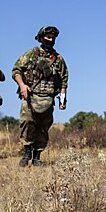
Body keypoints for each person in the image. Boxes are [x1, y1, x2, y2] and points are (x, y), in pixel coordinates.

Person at [12, 26, 69, 167]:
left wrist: (62, 100)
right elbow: (16, 70)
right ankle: (26, 154)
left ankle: (37, 157)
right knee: (27, 124)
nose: (50, 39)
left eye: (52, 37)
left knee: (43, 128)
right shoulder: (32, 54)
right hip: (30, 96)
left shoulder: (59, 59)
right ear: (41, 37)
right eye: (48, 37)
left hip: (48, 99)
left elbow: (64, 82)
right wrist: (22, 86)